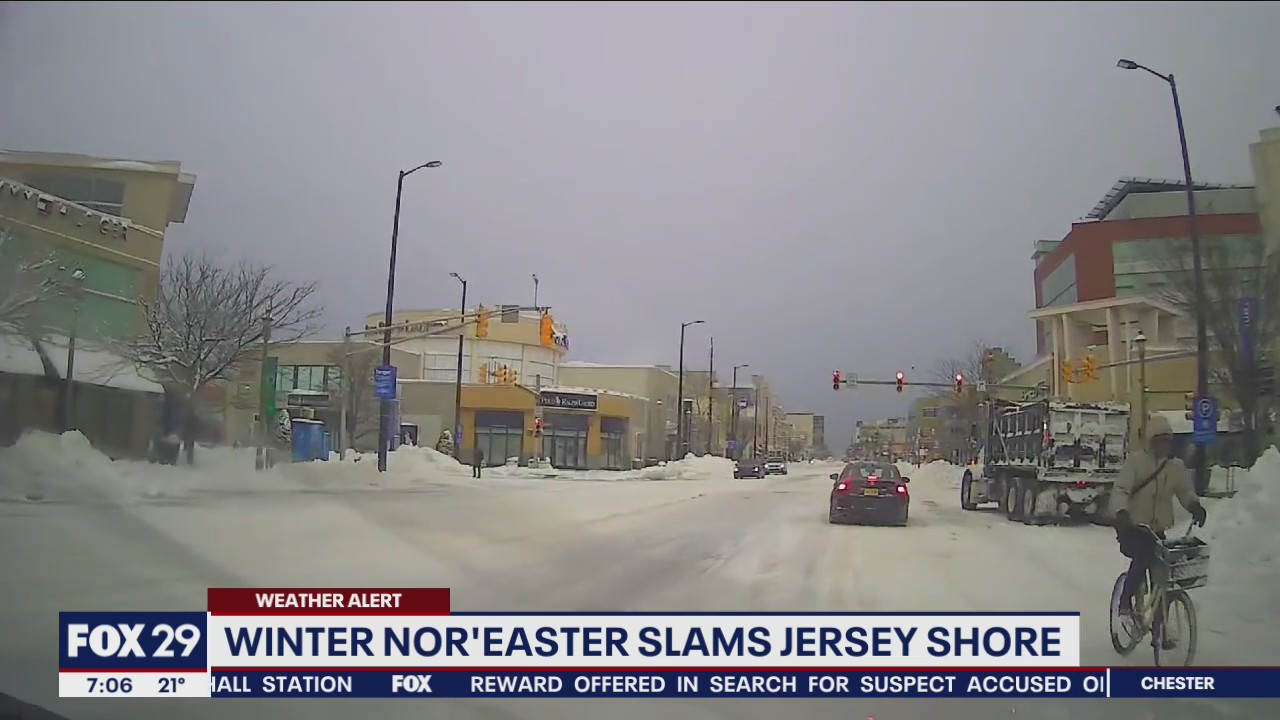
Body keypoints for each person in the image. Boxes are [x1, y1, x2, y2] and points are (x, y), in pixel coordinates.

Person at [1111, 413, 1207, 643]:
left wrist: (1195, 505)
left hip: (1156, 530)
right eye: (1159, 440)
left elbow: (1184, 491)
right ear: (1151, 441)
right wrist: (1121, 512)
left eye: (1167, 440)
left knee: (1164, 574)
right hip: (1133, 526)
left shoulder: (1175, 467)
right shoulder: (1136, 462)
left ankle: (1160, 628)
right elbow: (1121, 490)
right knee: (1143, 557)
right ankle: (1125, 606)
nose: (1163, 444)